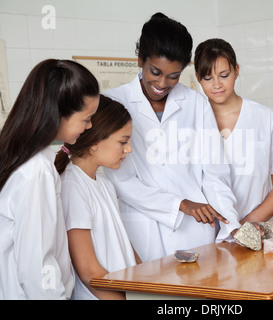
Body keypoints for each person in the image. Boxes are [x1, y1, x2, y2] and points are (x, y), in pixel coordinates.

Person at [104, 13, 241, 262]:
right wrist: (179, 204)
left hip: (197, 229)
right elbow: (121, 181)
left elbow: (215, 173)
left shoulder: (196, 103)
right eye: (155, 71)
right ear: (140, 61)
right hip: (142, 229)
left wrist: (231, 224)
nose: (162, 83)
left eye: (174, 76)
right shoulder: (114, 102)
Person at [0, 59, 99, 299]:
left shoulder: (24, 158)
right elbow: (37, 268)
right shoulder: (37, 171)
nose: (89, 126)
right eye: (85, 119)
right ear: (58, 113)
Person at [194, 38, 273, 224]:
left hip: (253, 228)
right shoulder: (191, 121)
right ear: (198, 78)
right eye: (208, 78)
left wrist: (246, 226)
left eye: (224, 75)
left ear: (236, 71)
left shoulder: (266, 118)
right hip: (203, 232)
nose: (217, 84)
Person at [55, 95, 140, 300]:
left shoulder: (105, 185)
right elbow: (88, 271)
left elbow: (125, 246)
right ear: (94, 141)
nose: (128, 149)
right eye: (123, 141)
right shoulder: (72, 186)